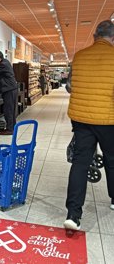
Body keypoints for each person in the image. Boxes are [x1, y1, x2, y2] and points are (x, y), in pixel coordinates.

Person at [64, 20, 114, 231]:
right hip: (108, 120)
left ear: (95, 36)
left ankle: (73, 215)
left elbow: (69, 87)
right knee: (112, 160)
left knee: (80, 163)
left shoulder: (80, 56)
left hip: (81, 119)